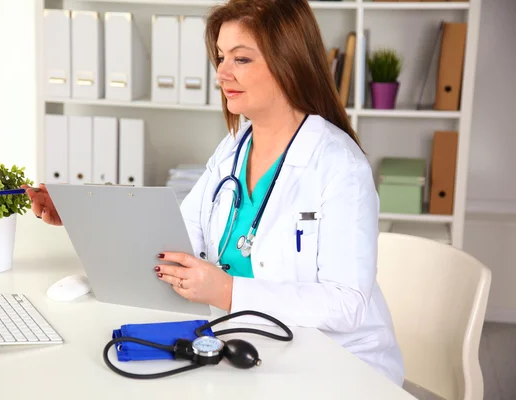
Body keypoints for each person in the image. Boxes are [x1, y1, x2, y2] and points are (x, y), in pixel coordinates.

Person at [24, 0, 405, 386]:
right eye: (221, 57)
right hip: (249, 346)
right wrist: (84, 214)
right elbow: (176, 238)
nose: (222, 73)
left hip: (337, 366)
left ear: (288, 62)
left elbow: (348, 304)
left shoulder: (339, 165)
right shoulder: (235, 146)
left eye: (241, 59)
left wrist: (227, 291)